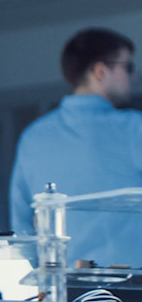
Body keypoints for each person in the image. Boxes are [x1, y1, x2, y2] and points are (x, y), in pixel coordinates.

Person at [10, 27, 142, 265]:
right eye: (128, 67)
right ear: (100, 71)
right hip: (132, 290)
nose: (132, 76)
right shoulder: (133, 128)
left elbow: (22, 227)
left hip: (65, 289)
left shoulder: (34, 137)